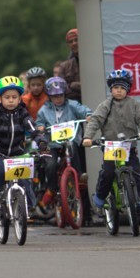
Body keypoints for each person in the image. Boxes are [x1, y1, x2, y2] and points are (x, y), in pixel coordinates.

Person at [83, 69, 140, 213]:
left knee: (137, 172)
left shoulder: (134, 104)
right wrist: (88, 137)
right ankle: (100, 196)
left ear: (127, 89)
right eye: (115, 88)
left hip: (129, 146)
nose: (119, 91)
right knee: (108, 173)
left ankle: (138, 199)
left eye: (122, 88)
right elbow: (95, 120)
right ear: (111, 89)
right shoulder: (105, 105)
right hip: (110, 147)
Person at [0, 76, 45, 213]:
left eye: (14, 97)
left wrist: (42, 142)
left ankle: (29, 204)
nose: (10, 100)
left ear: (20, 99)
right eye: (7, 97)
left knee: (25, 177)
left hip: (17, 153)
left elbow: (33, 128)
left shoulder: (23, 113)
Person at [35, 77, 92, 219]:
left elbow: (83, 110)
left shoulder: (72, 105)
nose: (58, 99)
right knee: (50, 163)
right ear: (49, 97)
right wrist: (40, 127)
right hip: (52, 143)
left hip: (69, 140)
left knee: (74, 149)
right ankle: (53, 187)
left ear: (65, 94)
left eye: (60, 95)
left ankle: (79, 176)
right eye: (54, 96)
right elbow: (39, 122)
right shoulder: (44, 110)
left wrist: (88, 115)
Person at [60, 29, 81, 103]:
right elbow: (61, 90)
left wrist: (73, 85)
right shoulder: (64, 66)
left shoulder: (94, 60)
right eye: (70, 42)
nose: (74, 43)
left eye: (76, 40)